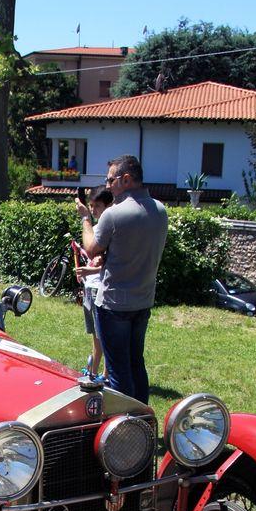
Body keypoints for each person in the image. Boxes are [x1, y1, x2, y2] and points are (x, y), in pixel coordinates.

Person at [77, 155, 167, 404]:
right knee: (137, 363)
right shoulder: (160, 210)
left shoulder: (113, 215)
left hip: (114, 305)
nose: (108, 186)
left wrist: (86, 219)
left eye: (110, 180)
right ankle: (143, 419)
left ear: (126, 179)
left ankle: (125, 428)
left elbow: (91, 249)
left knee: (118, 372)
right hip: (143, 301)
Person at [75, 187, 113, 381]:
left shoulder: (108, 228)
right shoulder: (96, 228)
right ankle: (93, 370)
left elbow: (110, 263)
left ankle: (106, 375)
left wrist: (90, 271)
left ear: (109, 205)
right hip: (90, 286)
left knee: (103, 334)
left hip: (100, 287)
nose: (94, 209)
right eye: (91, 206)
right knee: (95, 334)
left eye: (97, 205)